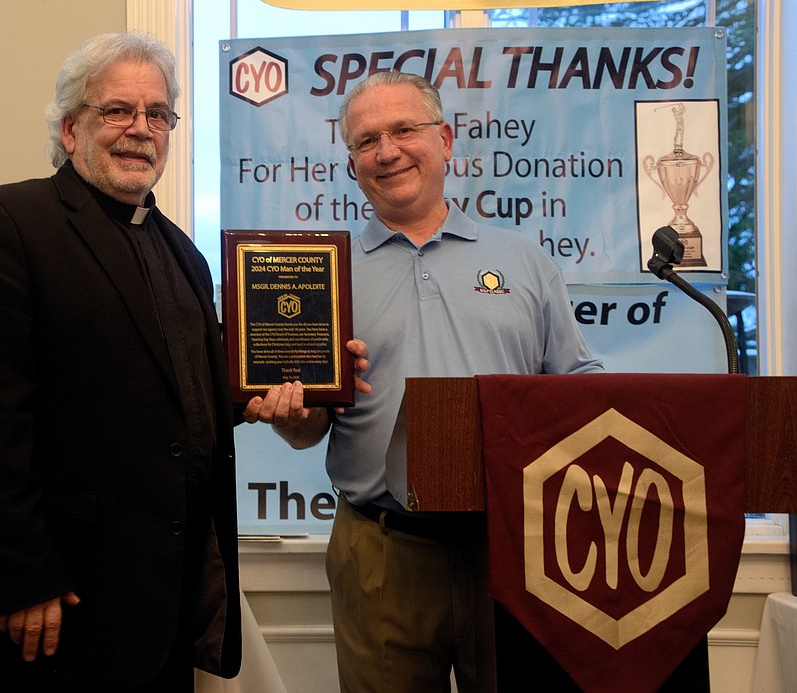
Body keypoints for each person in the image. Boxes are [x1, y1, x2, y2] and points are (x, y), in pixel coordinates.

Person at [244, 71, 604, 693]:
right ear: (352, 162)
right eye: (365, 141)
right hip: (382, 552)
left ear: (444, 139)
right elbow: (309, 434)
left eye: (403, 130)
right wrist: (292, 412)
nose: (386, 151)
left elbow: (577, 385)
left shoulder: (523, 260)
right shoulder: (321, 277)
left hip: (514, 549)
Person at [0, 31, 241, 691]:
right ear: (70, 129)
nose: (140, 129)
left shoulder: (183, 252)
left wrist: (269, 391)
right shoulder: (4, 222)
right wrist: (21, 576)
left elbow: (176, 406)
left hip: (158, 611)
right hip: (48, 609)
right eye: (117, 110)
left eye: (158, 114)